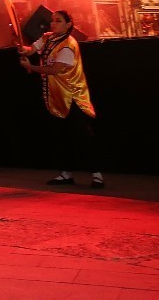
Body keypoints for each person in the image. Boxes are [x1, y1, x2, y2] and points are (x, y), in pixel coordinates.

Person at [17, 10, 104, 189]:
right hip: (56, 97)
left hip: (72, 97)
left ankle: (97, 175)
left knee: (82, 136)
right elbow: (31, 49)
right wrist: (22, 48)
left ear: (68, 24)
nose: (53, 24)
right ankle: (66, 173)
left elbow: (55, 70)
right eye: (52, 21)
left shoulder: (68, 44)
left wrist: (30, 67)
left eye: (58, 21)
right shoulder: (48, 38)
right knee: (61, 136)